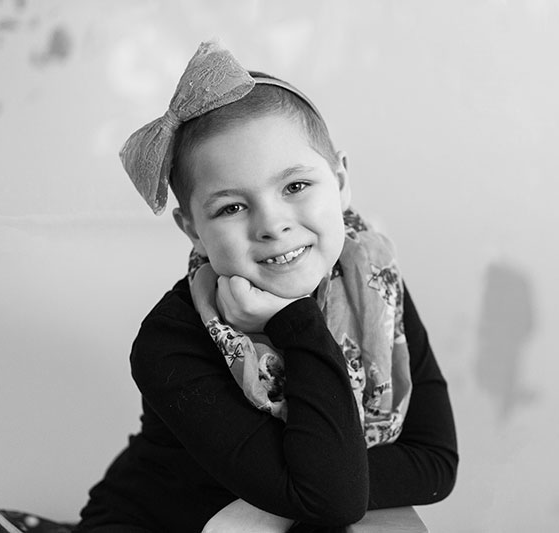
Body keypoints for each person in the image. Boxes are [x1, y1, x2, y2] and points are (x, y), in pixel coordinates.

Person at [75, 40, 457, 532]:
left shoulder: (374, 284)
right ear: (193, 230)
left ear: (340, 183)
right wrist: (294, 321)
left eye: (295, 186)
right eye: (232, 207)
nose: (272, 225)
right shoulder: (168, 342)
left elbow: (434, 463)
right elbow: (330, 497)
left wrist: (302, 494)